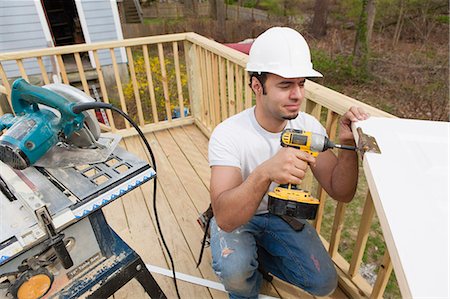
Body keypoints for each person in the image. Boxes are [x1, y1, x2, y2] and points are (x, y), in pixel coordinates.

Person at [208, 27, 369, 298]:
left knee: (324, 283)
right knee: (235, 271)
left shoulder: (308, 127)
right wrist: (265, 173)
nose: (298, 95)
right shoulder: (229, 133)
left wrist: (348, 144)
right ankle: (245, 281)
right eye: (285, 85)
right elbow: (225, 217)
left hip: (282, 215)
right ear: (257, 86)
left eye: (301, 83)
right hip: (238, 217)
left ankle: (254, 259)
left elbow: (341, 191)